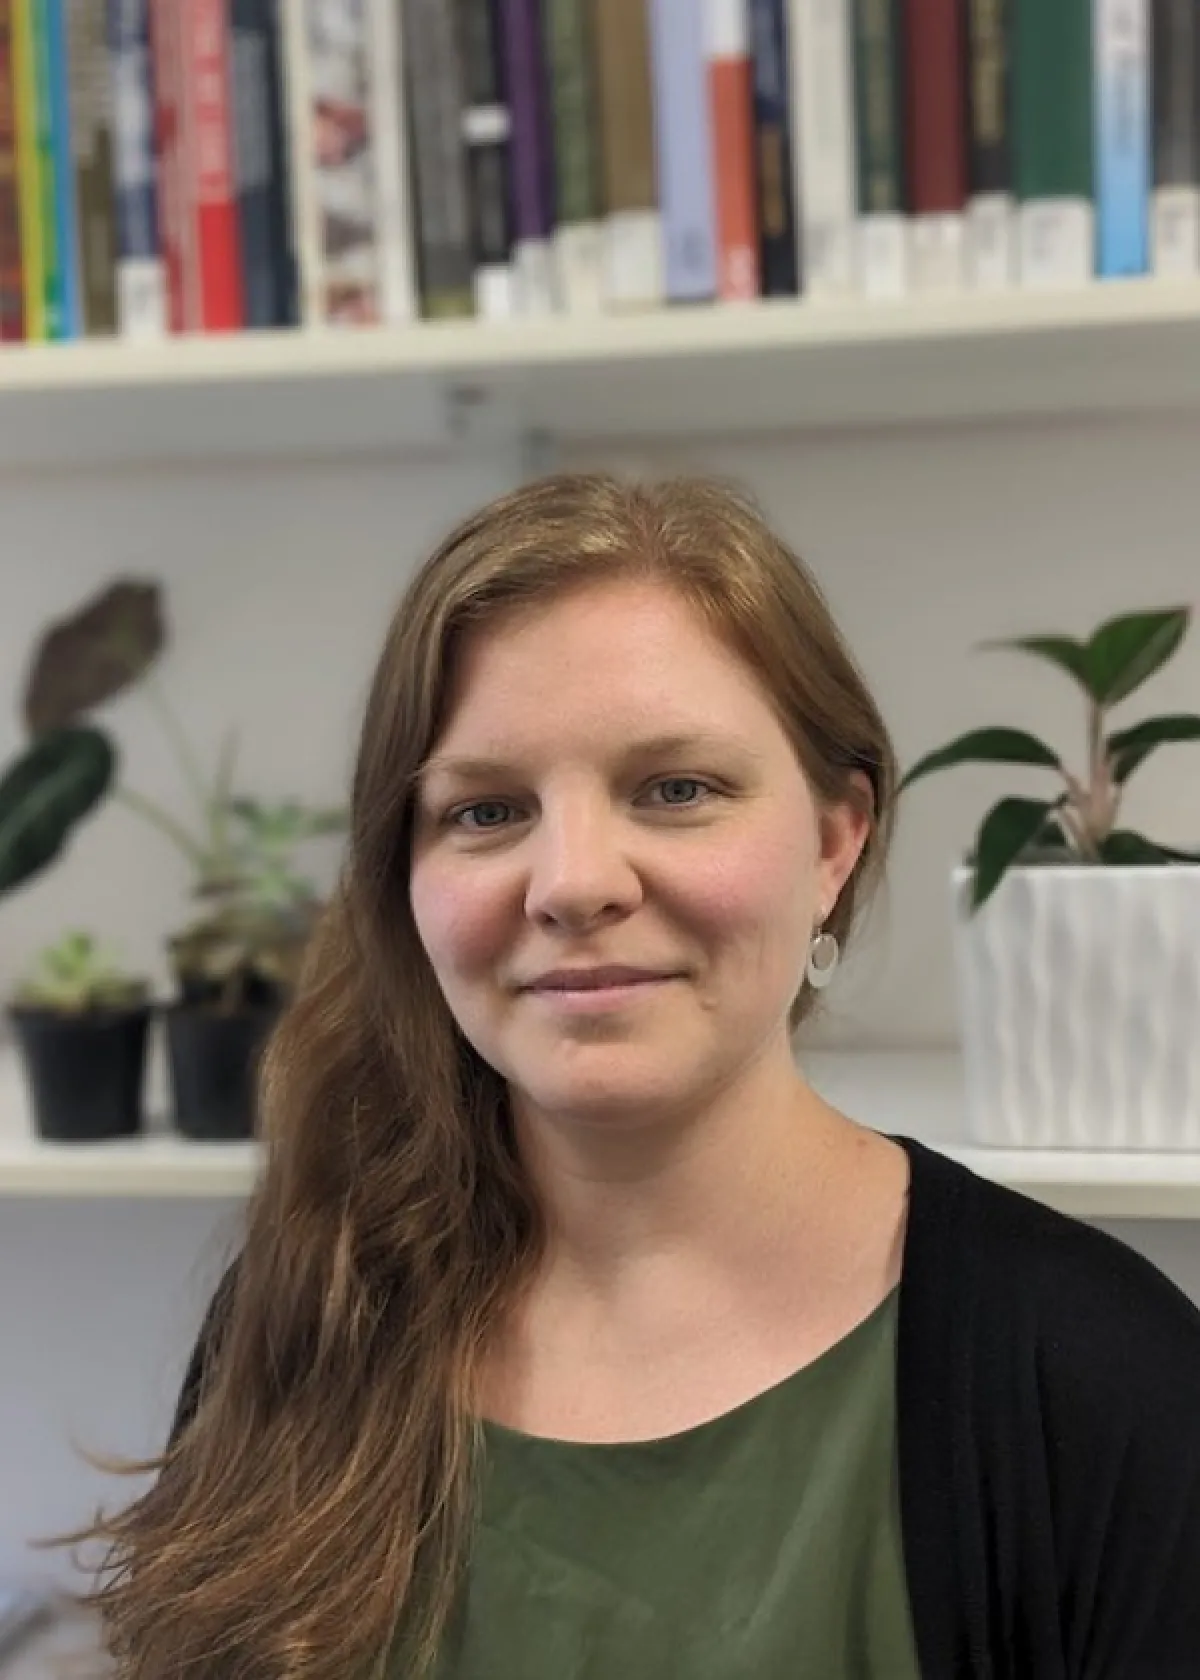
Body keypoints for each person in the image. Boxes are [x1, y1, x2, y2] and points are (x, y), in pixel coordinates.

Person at [75, 475, 1200, 1679]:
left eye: (676, 790)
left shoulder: (1100, 1381)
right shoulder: (309, 1316)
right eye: (487, 810)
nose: (573, 882)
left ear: (834, 840)